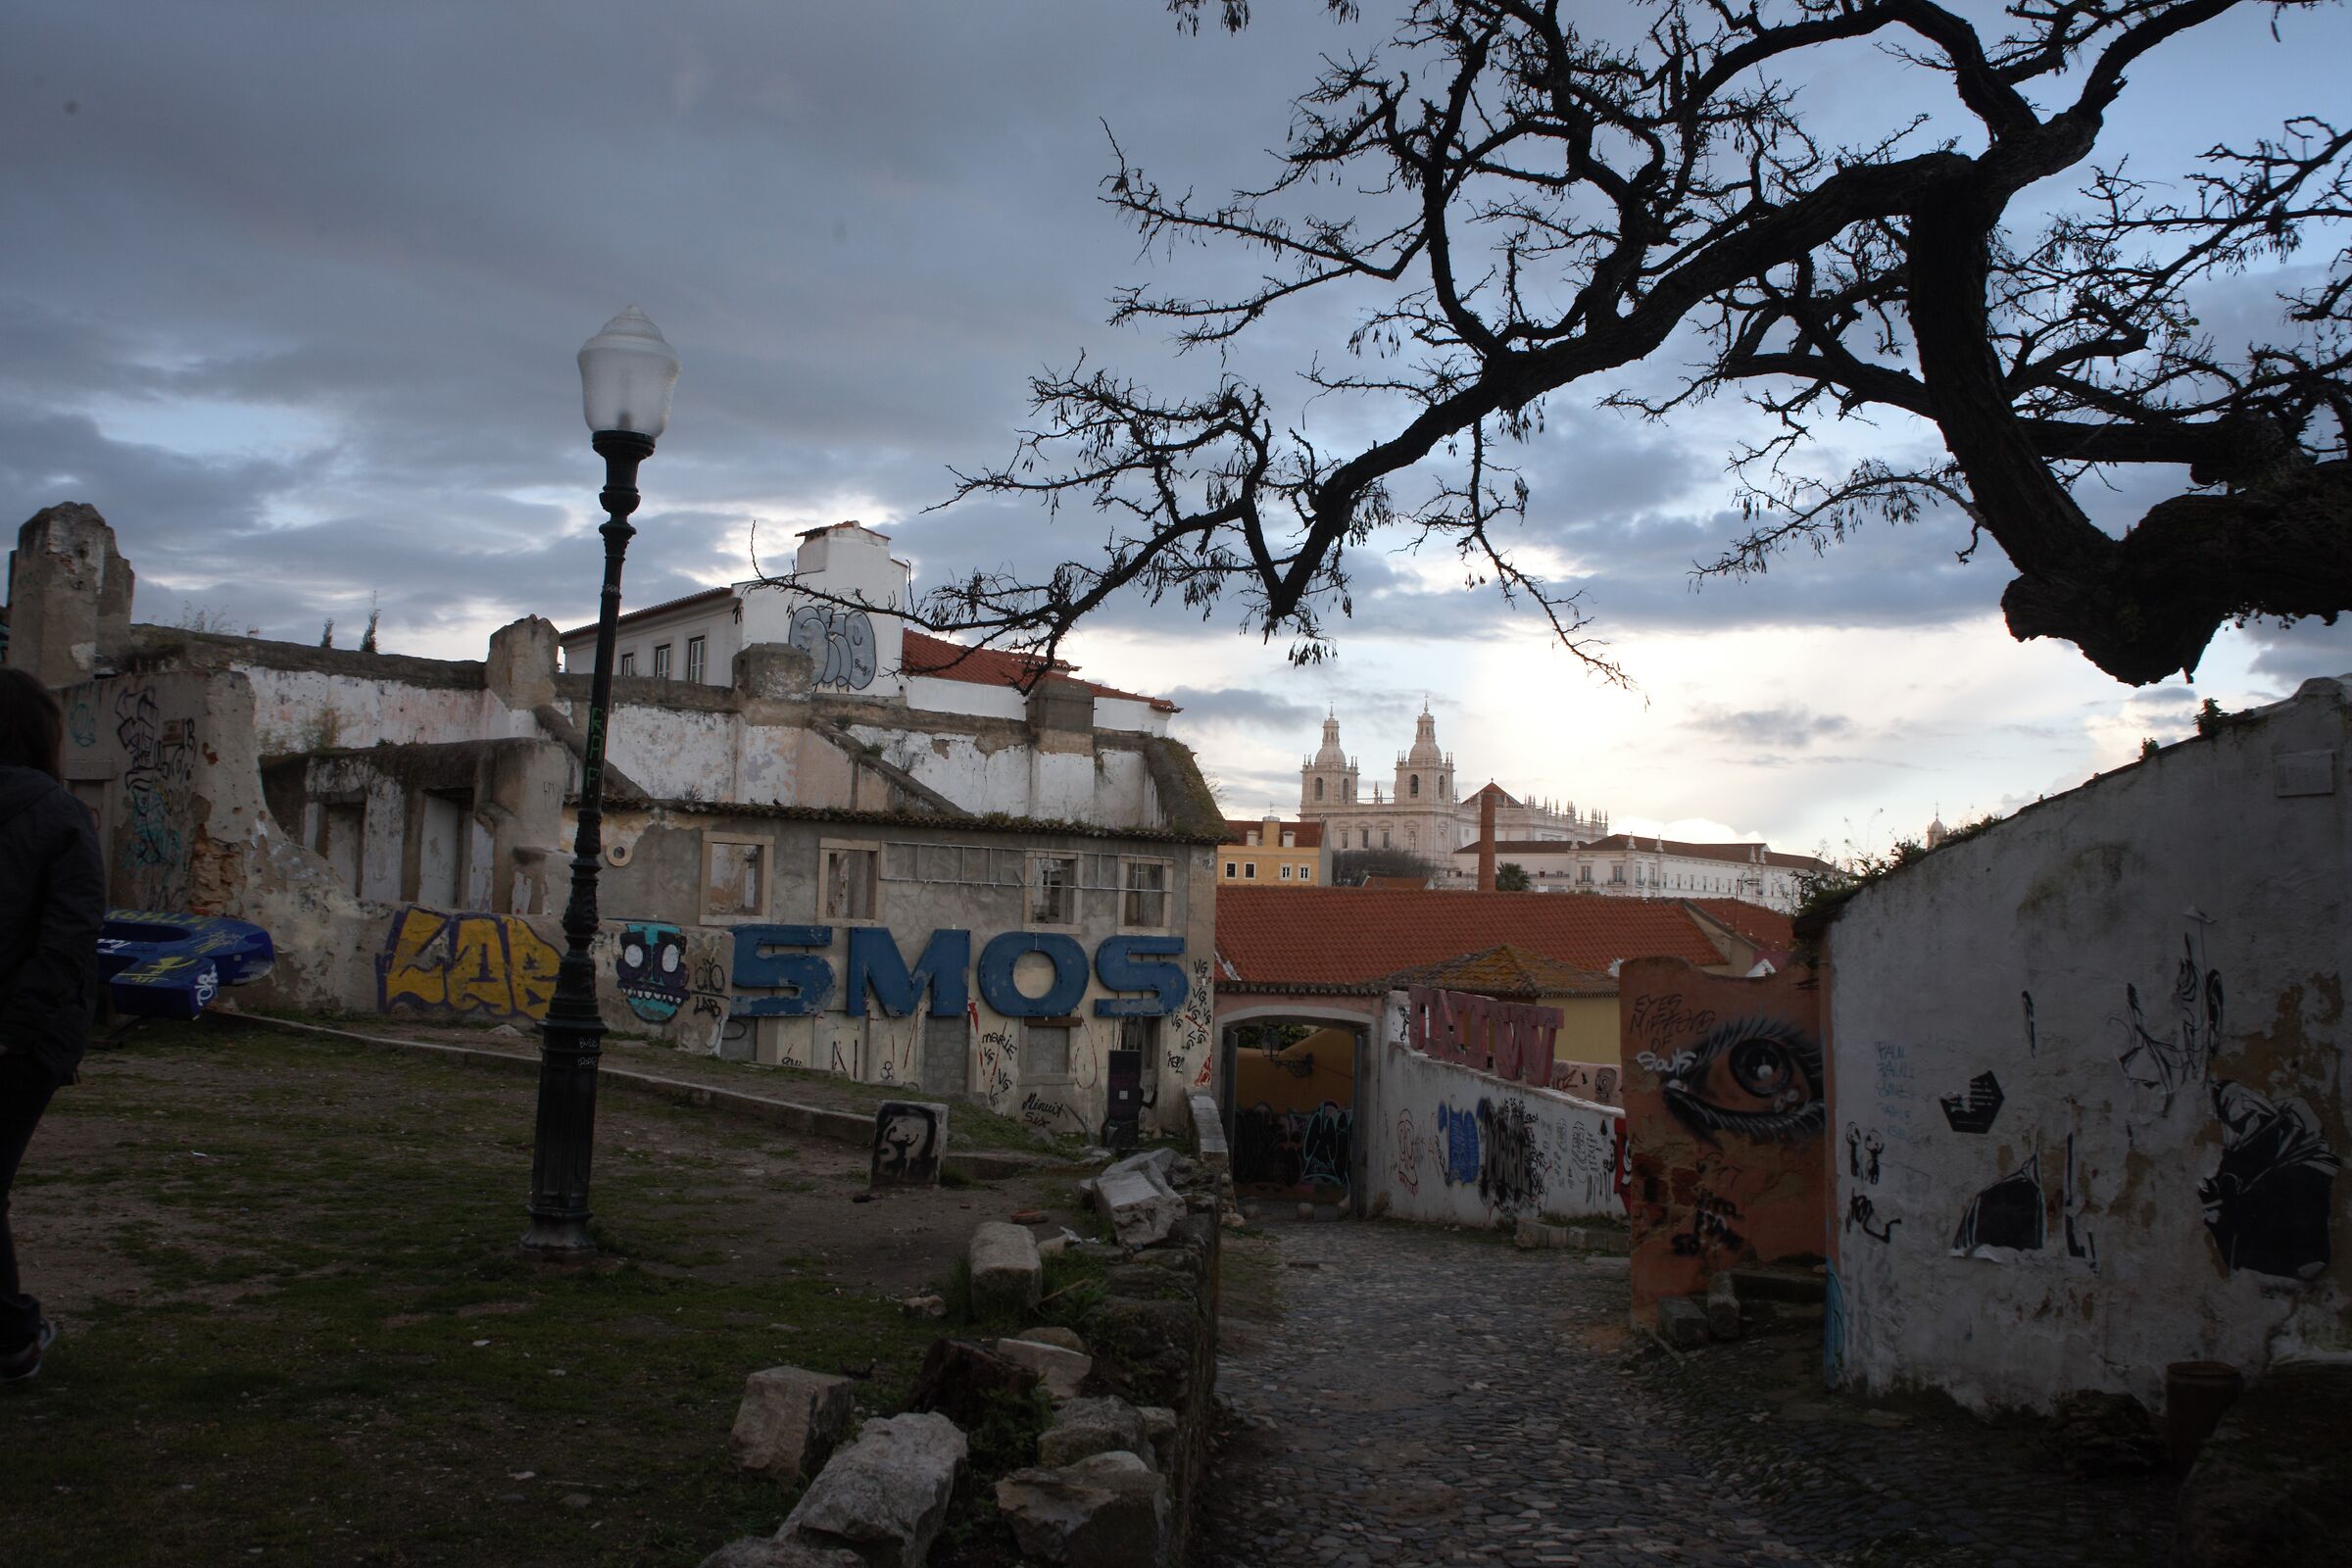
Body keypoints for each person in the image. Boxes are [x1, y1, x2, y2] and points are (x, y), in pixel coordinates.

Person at [0, 667, 104, 1387]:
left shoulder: (55, 815)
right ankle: (11, 1340)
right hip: (26, 1039)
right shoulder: (60, 813)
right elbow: (70, 935)